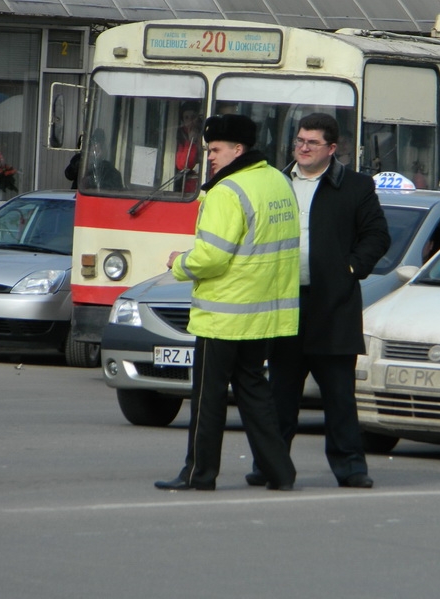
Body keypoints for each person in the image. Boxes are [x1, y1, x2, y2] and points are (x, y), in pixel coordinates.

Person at [154, 114, 300, 492]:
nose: (210, 158)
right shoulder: (279, 182)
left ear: (238, 149)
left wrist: (178, 262)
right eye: (208, 150)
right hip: (264, 313)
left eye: (216, 150)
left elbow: (212, 257)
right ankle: (280, 471)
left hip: (224, 314)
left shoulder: (227, 190)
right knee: (255, 392)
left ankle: (198, 474)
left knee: (208, 399)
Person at [247, 112, 390, 490]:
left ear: (332, 148)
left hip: (333, 306)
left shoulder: (356, 187)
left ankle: (350, 467)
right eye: (299, 141)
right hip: (284, 302)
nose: (303, 148)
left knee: (339, 395)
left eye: (311, 143)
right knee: (280, 394)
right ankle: (270, 465)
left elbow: (377, 236)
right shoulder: (276, 183)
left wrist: (349, 269)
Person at [174, 102, 201, 193]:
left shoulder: (205, 134)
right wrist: (191, 142)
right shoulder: (181, 135)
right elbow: (183, 165)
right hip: (186, 187)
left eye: (193, 117)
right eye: (186, 118)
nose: (190, 121)